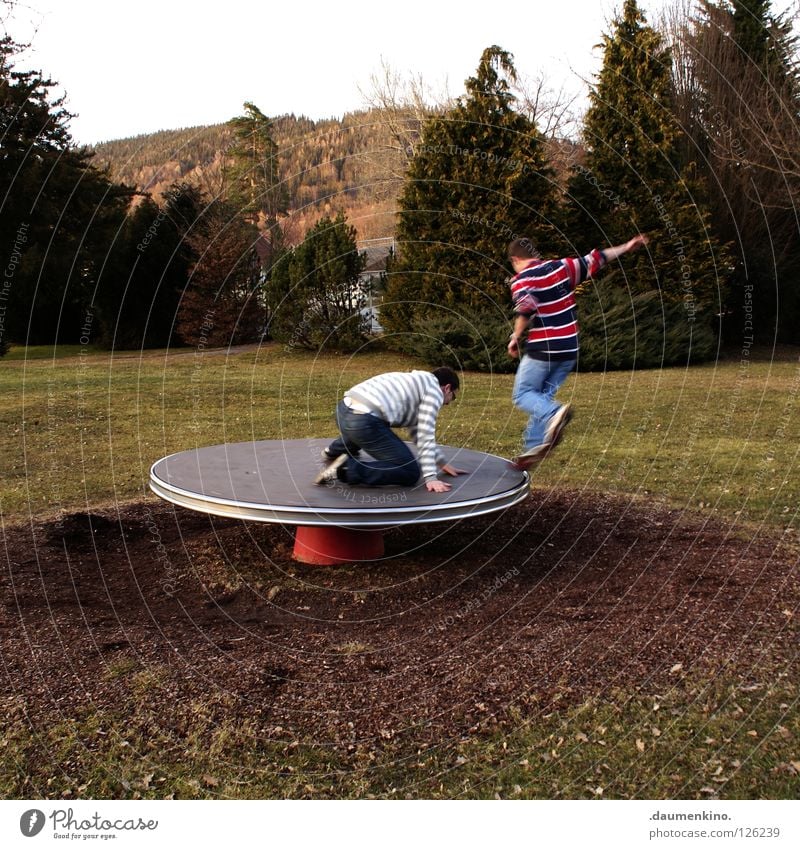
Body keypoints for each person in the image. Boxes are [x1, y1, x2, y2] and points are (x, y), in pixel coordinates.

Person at [507, 233, 649, 469]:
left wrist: (515, 337)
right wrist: (626, 246)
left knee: (523, 395)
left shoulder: (521, 279)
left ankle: (553, 414)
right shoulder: (562, 267)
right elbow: (598, 258)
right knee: (541, 398)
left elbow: (526, 308)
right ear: (534, 254)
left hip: (544, 348)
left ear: (515, 259)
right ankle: (532, 448)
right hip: (569, 349)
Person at [314, 367, 467, 492]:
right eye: (452, 397)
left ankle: (334, 451)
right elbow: (426, 434)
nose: (448, 403)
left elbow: (417, 431)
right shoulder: (434, 391)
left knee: (378, 422)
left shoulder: (417, 382)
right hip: (363, 422)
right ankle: (345, 469)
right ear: (447, 388)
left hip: (342, 411)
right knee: (410, 472)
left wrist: (441, 462)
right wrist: (431, 478)